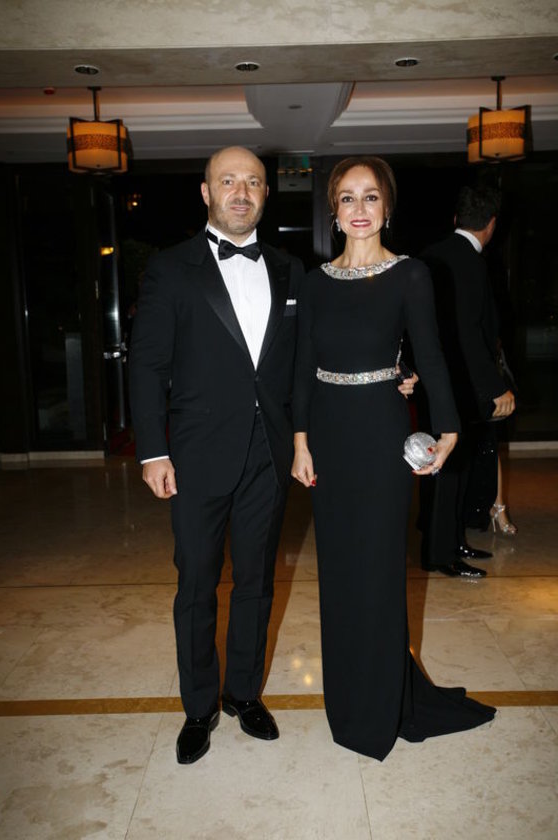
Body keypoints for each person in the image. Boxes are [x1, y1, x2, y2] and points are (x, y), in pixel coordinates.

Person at [129, 144, 421, 765]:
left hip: (270, 453)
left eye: (253, 182)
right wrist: (153, 451)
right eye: (228, 182)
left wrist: (392, 375)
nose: (241, 192)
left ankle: (243, 693)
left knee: (258, 582)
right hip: (196, 456)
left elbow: (318, 355)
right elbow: (148, 365)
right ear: (206, 193)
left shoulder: (292, 271)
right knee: (197, 583)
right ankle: (199, 707)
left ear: (266, 194)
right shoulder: (171, 268)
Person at [291, 156, 495, 761]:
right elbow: (303, 367)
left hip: (381, 435)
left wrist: (448, 427)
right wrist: (300, 441)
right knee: (339, 575)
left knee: (379, 572)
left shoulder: (411, 275)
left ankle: (382, 703)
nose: (359, 208)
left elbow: (430, 355)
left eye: (371, 196)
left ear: (387, 207)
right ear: (334, 210)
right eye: (347, 198)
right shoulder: (314, 282)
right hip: (329, 438)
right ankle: (348, 699)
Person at [419, 185, 516, 577]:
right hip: (459, 384)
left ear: (456, 218)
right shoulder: (472, 263)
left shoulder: (430, 256)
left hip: (433, 380)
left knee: (441, 467)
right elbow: (469, 333)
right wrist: (495, 386)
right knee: (451, 469)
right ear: (491, 225)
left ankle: (448, 541)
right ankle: (442, 553)